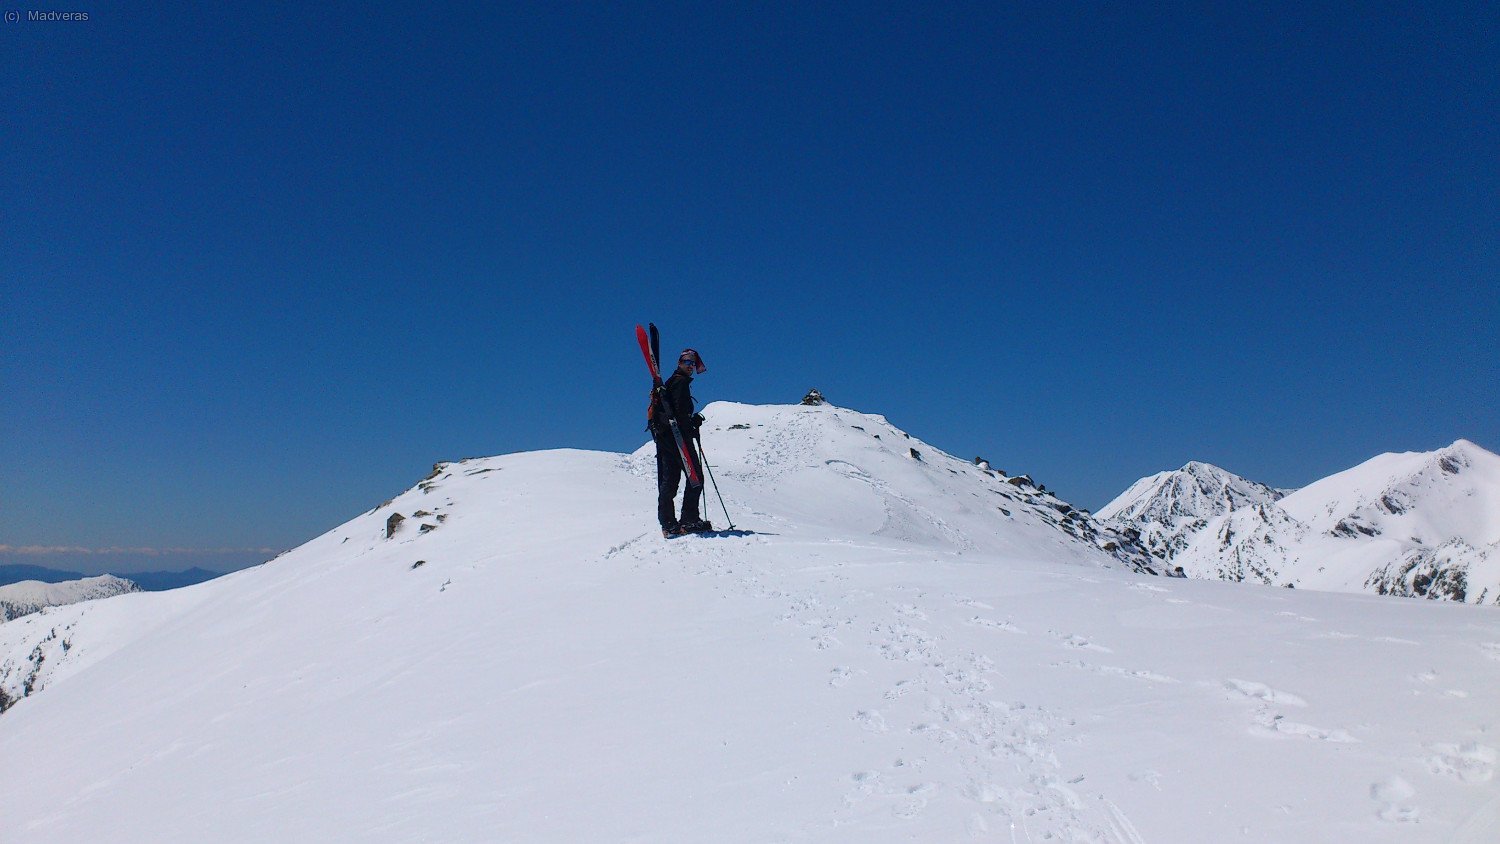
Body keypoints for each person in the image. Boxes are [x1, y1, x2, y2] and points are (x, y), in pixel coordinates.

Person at [652, 348, 710, 537]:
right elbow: (679, 412)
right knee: (696, 477)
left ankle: (668, 523)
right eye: (687, 362)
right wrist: (691, 425)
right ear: (679, 363)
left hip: (666, 438)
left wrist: (690, 422)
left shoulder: (672, 382)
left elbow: (676, 411)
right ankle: (689, 520)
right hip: (678, 439)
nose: (691, 366)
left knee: (670, 480)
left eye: (693, 363)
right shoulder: (679, 382)